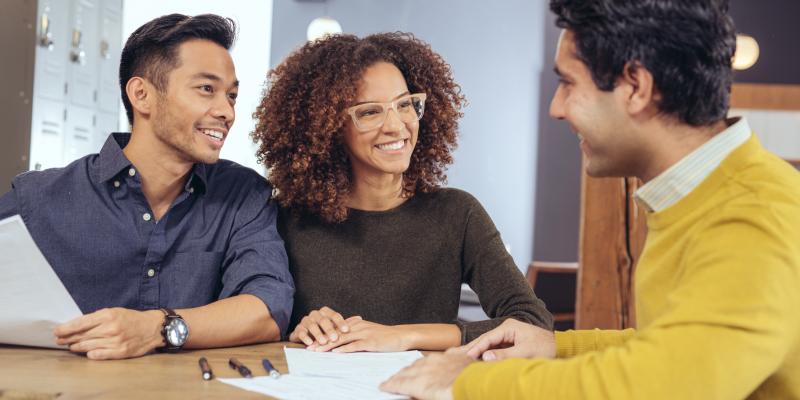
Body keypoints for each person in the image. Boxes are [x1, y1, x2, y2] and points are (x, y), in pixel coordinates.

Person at [381, 0, 800, 399]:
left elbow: (662, 387)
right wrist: (555, 347)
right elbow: (685, 348)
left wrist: (467, 382)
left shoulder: (751, 215)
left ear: (635, 86)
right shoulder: (712, 194)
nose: (556, 108)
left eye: (567, 83)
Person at [0, 14, 294, 360]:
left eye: (231, 96)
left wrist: (157, 328)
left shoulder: (243, 194)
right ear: (142, 95)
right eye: (206, 89)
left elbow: (268, 308)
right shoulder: (38, 198)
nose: (226, 112)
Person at [251, 32, 553, 353]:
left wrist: (402, 336)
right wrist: (296, 328)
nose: (396, 126)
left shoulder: (457, 214)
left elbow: (532, 323)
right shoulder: (286, 220)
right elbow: (257, 321)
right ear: (326, 127)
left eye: (405, 104)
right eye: (369, 112)